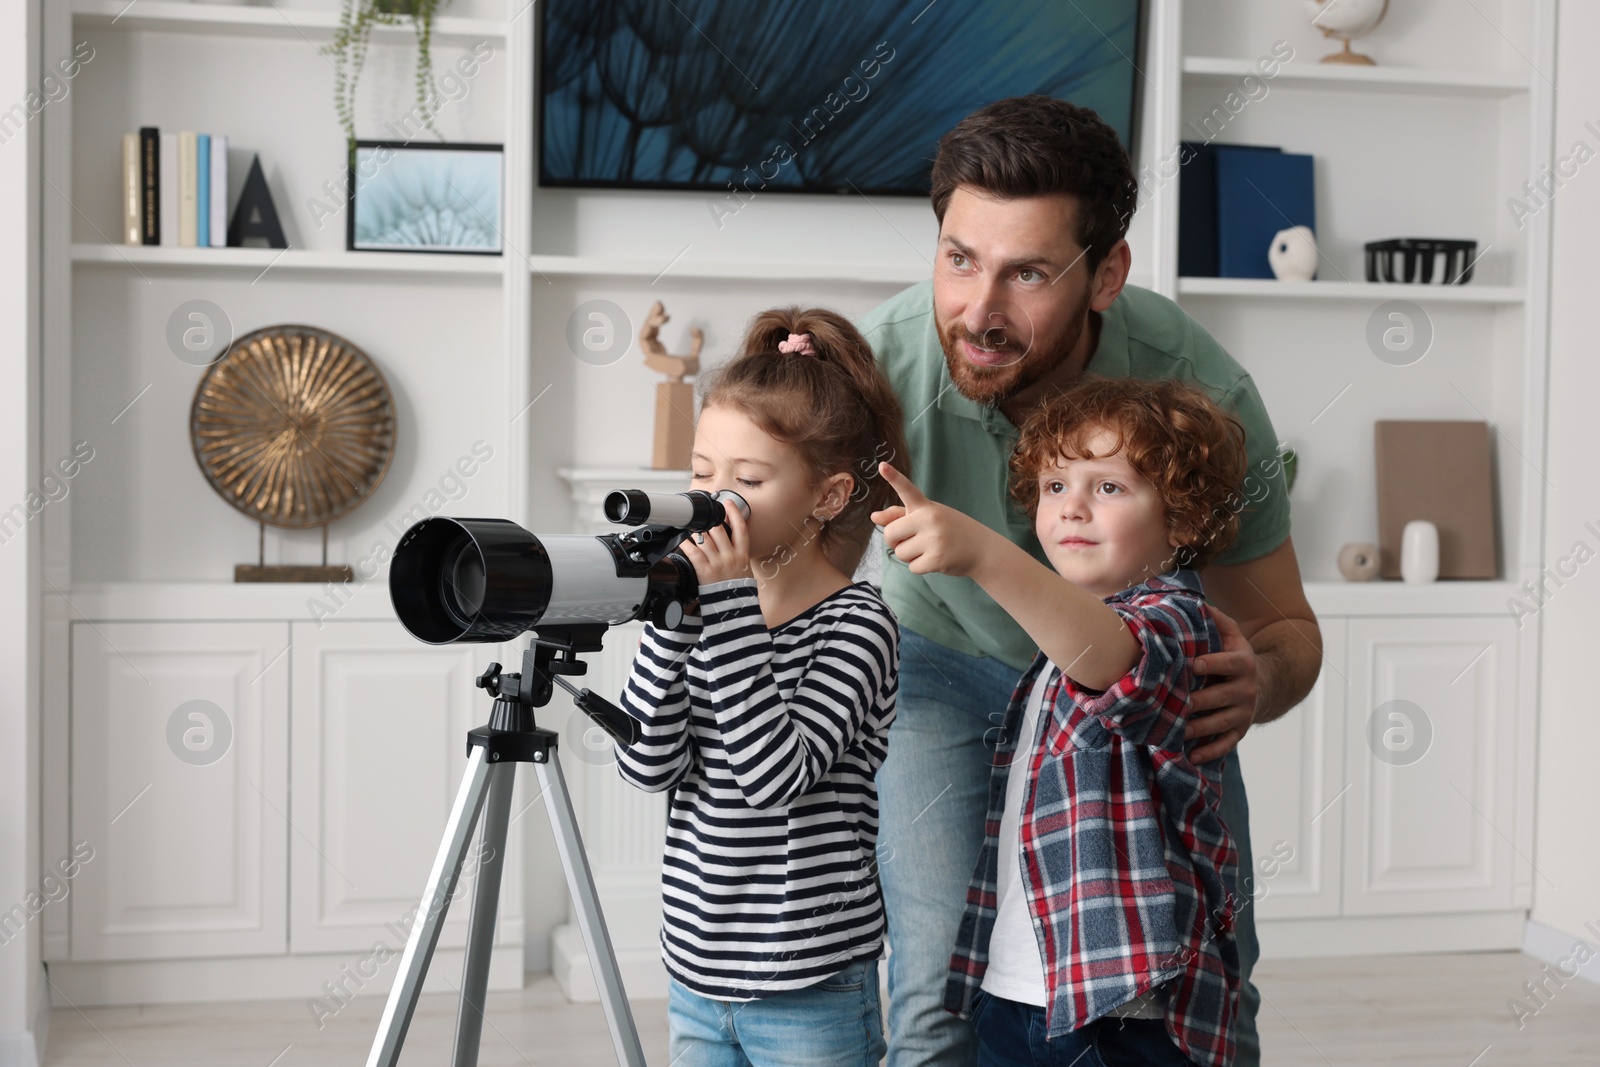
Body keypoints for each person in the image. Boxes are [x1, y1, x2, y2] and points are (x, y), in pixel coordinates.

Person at [860, 95, 1323, 1067]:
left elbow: (1286, 628)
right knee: (940, 973)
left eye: (1026, 272)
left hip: (1146, 694)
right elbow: (764, 522)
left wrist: (1260, 677)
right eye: (957, 258)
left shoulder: (1202, 390)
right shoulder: (883, 360)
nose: (977, 312)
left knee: (1204, 966)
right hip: (947, 660)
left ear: (1106, 272)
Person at [874, 376, 1249, 1067]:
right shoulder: (1053, 649)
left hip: (1121, 1005)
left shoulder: (1178, 621)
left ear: (1185, 518)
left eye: (1108, 487)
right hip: (1021, 989)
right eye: (1054, 487)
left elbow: (1113, 658)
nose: (1072, 507)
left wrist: (985, 555)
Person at [614, 307, 910, 1067]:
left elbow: (772, 776)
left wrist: (729, 609)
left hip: (809, 981)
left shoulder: (857, 625)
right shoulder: (710, 612)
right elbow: (647, 766)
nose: (716, 499)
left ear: (828, 495)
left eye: (746, 480)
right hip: (696, 972)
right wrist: (674, 620)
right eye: (702, 474)